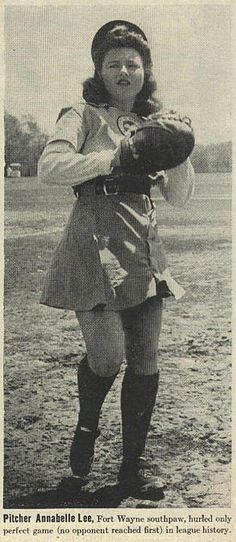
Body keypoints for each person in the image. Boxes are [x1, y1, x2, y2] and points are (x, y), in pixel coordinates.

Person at [38, 20, 195, 499]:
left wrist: (179, 149)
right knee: (107, 358)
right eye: (114, 63)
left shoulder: (154, 120)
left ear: (146, 70)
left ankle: (131, 471)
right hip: (94, 241)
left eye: (133, 63)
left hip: (143, 243)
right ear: (100, 71)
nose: (125, 70)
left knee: (145, 360)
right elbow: (49, 167)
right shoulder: (81, 115)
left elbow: (181, 198)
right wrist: (116, 156)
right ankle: (85, 433)